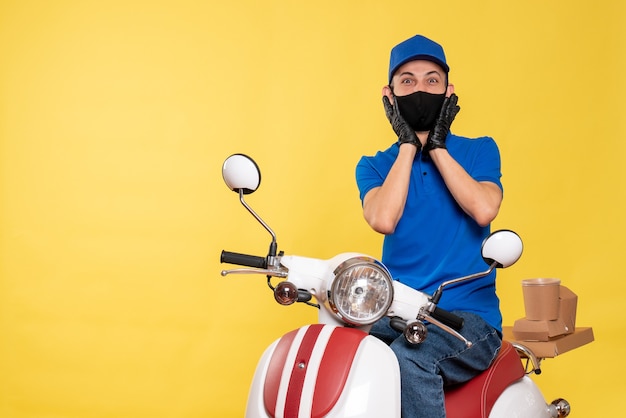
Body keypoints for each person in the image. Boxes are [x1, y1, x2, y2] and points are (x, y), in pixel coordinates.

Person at [355, 34, 504, 417]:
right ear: (390, 95)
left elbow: (484, 209)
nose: (420, 88)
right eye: (407, 81)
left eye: (431, 80)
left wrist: (436, 146)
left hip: (468, 319)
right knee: (343, 354)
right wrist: (409, 144)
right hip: (396, 311)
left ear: (448, 92)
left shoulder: (479, 149)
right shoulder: (373, 165)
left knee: (409, 359)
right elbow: (383, 218)